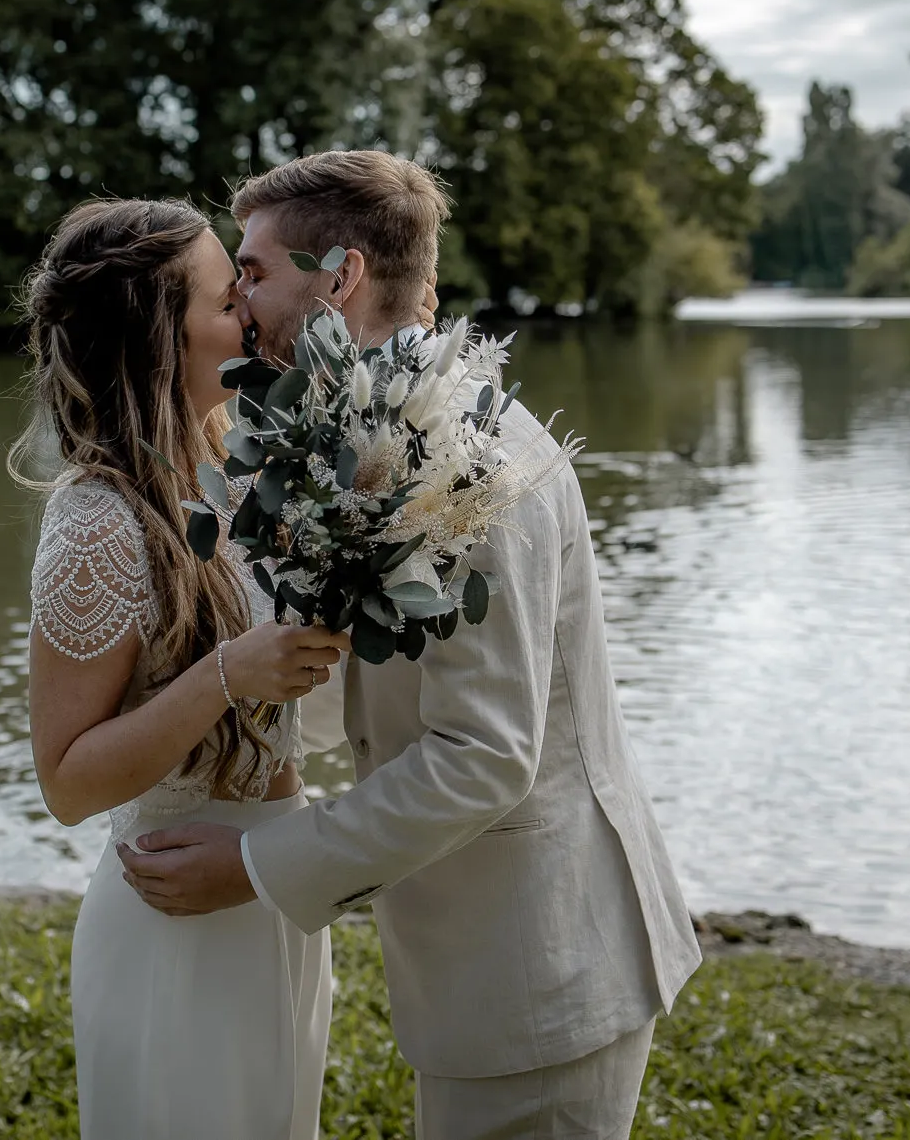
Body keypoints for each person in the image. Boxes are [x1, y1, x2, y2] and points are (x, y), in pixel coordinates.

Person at [117, 151, 702, 1140]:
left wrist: (258, 866)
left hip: (541, 966)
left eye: (254, 271)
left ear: (339, 276)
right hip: (489, 960)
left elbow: (484, 757)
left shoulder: (467, 463)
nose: (239, 300)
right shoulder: (367, 441)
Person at [12, 197, 350, 1139]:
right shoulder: (96, 525)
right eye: (222, 293)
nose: (248, 305)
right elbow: (68, 781)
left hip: (271, 887)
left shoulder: (240, 472)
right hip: (172, 914)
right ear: (160, 338)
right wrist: (225, 676)